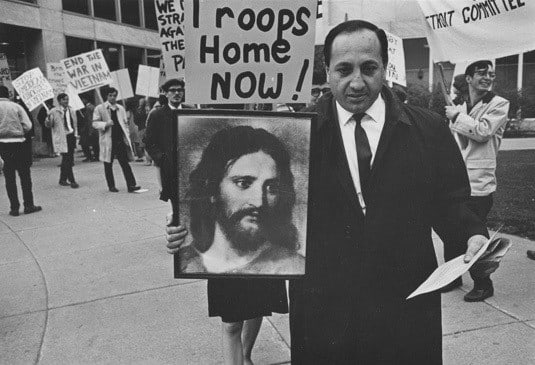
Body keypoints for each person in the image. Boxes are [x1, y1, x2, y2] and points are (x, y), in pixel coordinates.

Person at [166, 19, 489, 365]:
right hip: (327, 309)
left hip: (405, 303)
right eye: (343, 70)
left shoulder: (428, 130)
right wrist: (187, 228)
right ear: (327, 71)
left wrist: (472, 235)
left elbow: (451, 203)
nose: (356, 82)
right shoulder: (300, 135)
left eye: (369, 68)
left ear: (384, 67)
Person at [179, 126, 305, 275]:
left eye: (271, 188)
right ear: (212, 189)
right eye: (243, 183)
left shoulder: (292, 266)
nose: (259, 202)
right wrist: (174, 226)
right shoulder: (186, 263)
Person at [445, 60, 510, 302]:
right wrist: (456, 115)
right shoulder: (459, 105)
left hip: (479, 183)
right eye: (481, 73)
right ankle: (452, 275)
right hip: (454, 181)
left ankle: (484, 283)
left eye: (491, 74)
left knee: (475, 234)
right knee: (451, 230)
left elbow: (483, 132)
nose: (488, 77)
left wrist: (457, 117)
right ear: (469, 78)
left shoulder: (499, 104)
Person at [144, 79, 187, 206]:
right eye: (172, 90)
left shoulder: (190, 111)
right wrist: (162, 158)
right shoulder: (157, 114)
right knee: (176, 204)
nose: (177, 93)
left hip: (190, 164)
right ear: (166, 94)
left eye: (179, 90)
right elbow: (149, 141)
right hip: (170, 167)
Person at [0, 85, 42, 216]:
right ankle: (28, 205)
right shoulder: (17, 107)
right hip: (19, 144)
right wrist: (20, 131)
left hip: (3, 145)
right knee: (25, 176)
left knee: (9, 177)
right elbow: (28, 125)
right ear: (8, 94)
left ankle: (14, 208)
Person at [92, 87, 140, 193]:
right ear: (106, 96)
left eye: (114, 95)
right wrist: (105, 124)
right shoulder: (100, 108)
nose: (112, 97)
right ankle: (111, 185)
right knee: (108, 163)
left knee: (125, 162)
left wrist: (127, 136)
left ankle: (131, 185)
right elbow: (95, 123)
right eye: (110, 95)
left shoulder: (120, 108)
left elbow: (125, 123)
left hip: (119, 139)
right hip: (108, 139)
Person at [45, 93, 79, 188]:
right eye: (64, 99)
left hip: (71, 135)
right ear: (59, 101)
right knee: (68, 159)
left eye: (67, 99)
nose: (66, 101)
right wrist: (48, 118)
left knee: (68, 158)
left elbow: (75, 123)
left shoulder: (71, 110)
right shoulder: (54, 111)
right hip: (62, 137)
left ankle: (62, 179)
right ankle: (72, 180)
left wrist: (75, 134)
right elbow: (49, 125)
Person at [79, 95, 99, 162]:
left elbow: (90, 119)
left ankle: (92, 156)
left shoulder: (89, 108)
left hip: (89, 128)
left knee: (90, 143)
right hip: (89, 128)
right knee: (92, 143)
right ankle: (94, 156)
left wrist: (91, 130)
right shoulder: (90, 107)